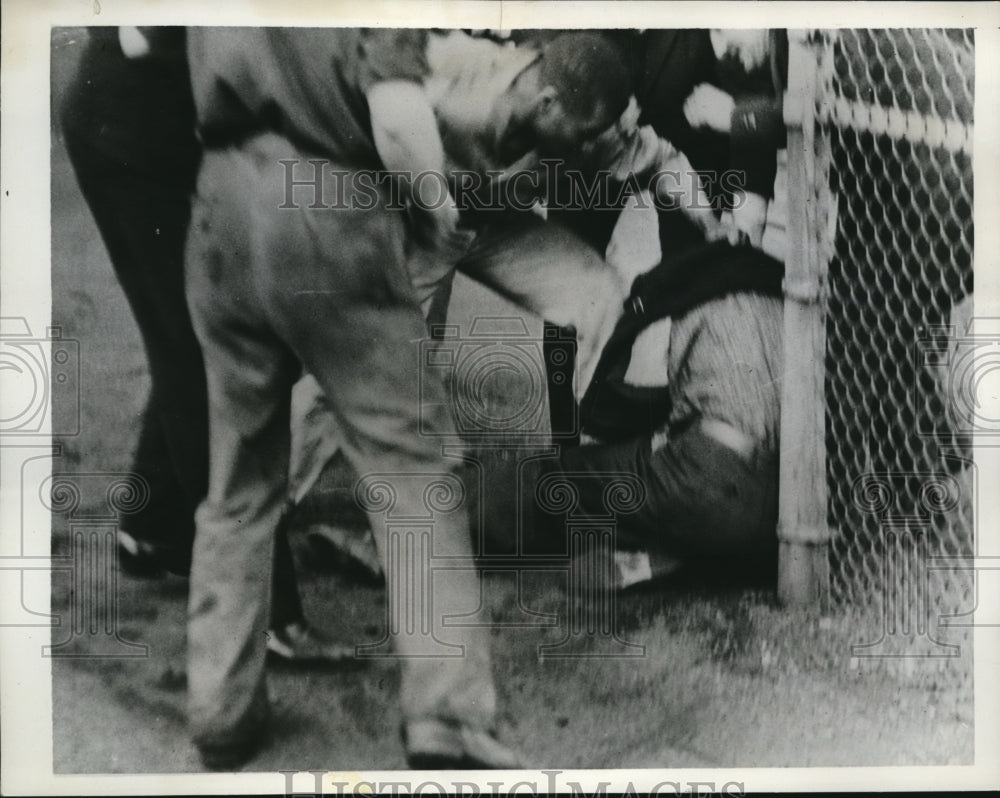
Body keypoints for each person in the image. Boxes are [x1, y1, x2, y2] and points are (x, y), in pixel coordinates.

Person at [182, 27, 520, 770]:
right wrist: (433, 203)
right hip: (326, 197)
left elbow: (142, 37)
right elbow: (397, 116)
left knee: (238, 477)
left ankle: (220, 709)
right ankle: (447, 714)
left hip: (220, 197)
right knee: (411, 469)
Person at [59, 26, 357, 668]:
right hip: (135, 133)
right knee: (212, 361)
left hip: (159, 123)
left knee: (188, 343)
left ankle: (155, 525)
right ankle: (269, 615)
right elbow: (141, 35)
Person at [554, 240, 785, 587]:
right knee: (679, 491)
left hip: (711, 475)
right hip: (787, 504)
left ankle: (472, 514)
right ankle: (681, 550)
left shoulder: (692, 293)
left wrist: (596, 432)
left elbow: (624, 397)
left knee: (565, 477)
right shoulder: (789, 300)